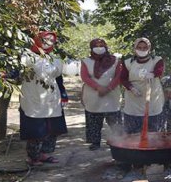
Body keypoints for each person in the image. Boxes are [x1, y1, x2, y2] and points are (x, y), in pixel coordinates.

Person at [19, 31, 68, 166]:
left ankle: (45, 154)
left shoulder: (55, 59)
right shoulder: (26, 57)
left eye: (52, 41)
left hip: (52, 97)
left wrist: (63, 95)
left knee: (52, 128)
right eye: (45, 39)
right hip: (33, 96)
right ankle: (33, 157)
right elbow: (17, 73)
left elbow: (58, 79)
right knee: (36, 129)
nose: (48, 42)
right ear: (38, 40)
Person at [80, 38, 123, 150]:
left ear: (106, 46)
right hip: (93, 95)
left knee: (114, 119)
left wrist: (108, 88)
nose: (99, 48)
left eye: (101, 45)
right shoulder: (86, 61)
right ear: (91, 48)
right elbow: (85, 77)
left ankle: (119, 140)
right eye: (96, 46)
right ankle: (95, 142)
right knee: (93, 118)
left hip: (112, 95)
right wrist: (98, 87)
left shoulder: (115, 61)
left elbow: (119, 76)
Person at [120, 38, 165, 134]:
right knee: (132, 134)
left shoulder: (156, 60)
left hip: (152, 100)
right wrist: (131, 88)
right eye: (139, 47)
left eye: (145, 48)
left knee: (152, 133)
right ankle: (132, 148)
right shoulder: (128, 63)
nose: (142, 50)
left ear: (149, 48)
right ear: (135, 48)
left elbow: (159, 70)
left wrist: (153, 74)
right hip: (133, 101)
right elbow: (123, 78)